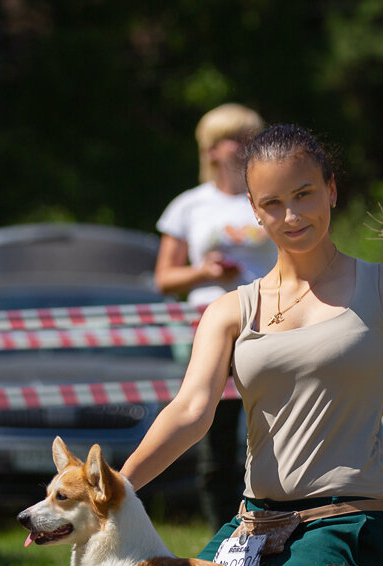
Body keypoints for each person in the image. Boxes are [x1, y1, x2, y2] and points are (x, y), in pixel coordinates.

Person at [121, 124, 383, 566]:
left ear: (331, 189)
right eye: (273, 203)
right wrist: (116, 487)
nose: (292, 215)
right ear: (254, 210)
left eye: (304, 194)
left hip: (348, 522)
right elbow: (190, 412)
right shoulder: (228, 311)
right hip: (254, 526)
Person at [154, 104, 278, 530]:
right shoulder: (189, 205)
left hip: (273, 322)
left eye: (252, 137)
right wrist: (204, 272)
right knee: (213, 437)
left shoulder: (272, 194)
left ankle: (277, 529)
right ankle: (221, 538)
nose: (247, 147)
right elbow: (165, 278)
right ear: (210, 150)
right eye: (236, 139)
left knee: (277, 433)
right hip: (208, 329)